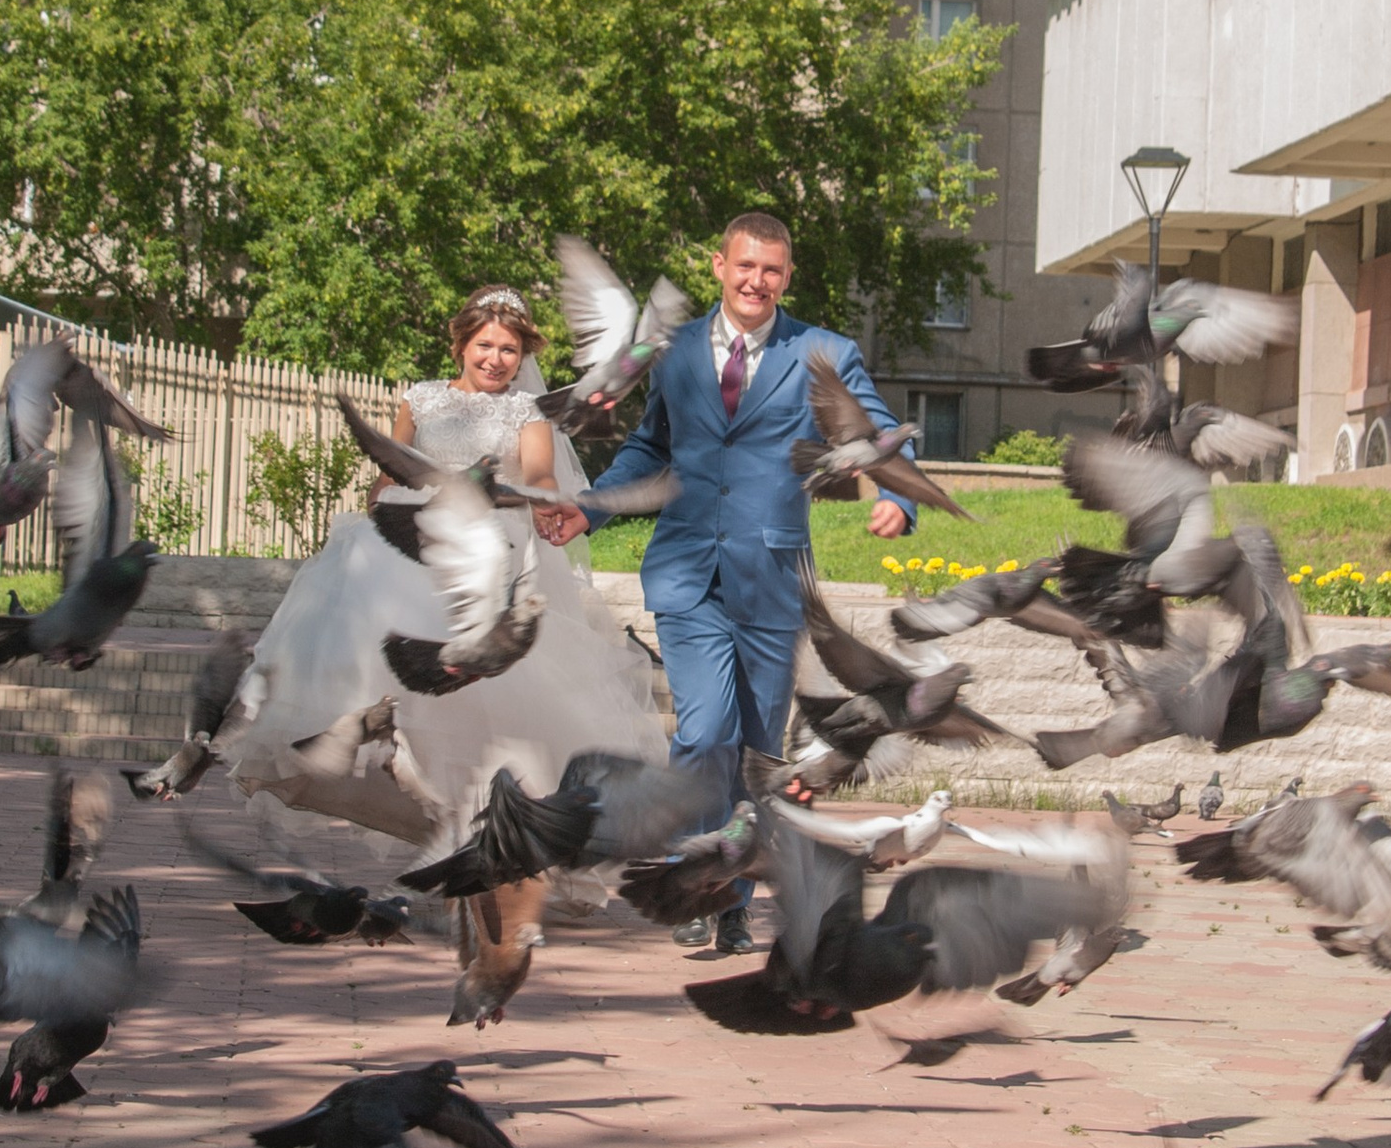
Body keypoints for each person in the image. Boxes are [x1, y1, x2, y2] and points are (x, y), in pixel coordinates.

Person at [548, 210, 914, 954]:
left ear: (787, 276)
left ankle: (734, 899)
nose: (757, 281)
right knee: (706, 728)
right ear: (719, 265)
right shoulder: (677, 350)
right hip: (686, 571)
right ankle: (691, 878)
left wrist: (899, 501)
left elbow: (876, 432)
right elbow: (652, 444)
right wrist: (591, 509)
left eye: (772, 270)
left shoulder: (823, 350)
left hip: (774, 580)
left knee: (757, 747)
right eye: (745, 266)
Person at [230, 281, 665, 901]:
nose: (496, 358)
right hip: (414, 550)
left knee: (490, 704)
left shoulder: (527, 411)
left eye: (509, 349)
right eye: (485, 345)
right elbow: (391, 470)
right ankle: (411, 794)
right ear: (461, 344)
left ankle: (495, 835)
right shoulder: (422, 399)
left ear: (523, 356)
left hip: (488, 560)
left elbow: (539, 472)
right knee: (384, 656)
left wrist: (547, 500)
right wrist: (374, 517)